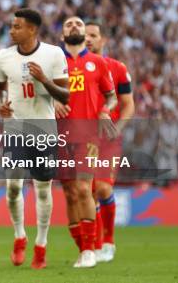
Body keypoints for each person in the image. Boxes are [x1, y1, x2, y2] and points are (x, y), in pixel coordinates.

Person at [0, 8, 70, 269]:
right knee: (13, 188)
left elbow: (65, 96)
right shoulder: (3, 56)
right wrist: (1, 105)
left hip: (44, 130)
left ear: (32, 30)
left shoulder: (53, 54)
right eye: (12, 26)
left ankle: (41, 245)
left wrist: (44, 80)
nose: (12, 30)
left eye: (17, 26)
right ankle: (19, 236)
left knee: (42, 190)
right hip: (15, 129)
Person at [56, 16, 118, 268]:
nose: (74, 27)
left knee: (84, 188)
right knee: (70, 194)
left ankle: (92, 248)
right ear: (62, 35)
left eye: (78, 24)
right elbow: (39, 95)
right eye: (69, 25)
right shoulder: (53, 63)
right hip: (59, 137)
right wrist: (53, 101)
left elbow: (111, 97)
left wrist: (105, 111)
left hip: (88, 136)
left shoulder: (98, 63)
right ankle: (82, 248)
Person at [85, 20, 135, 262]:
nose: (88, 39)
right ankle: (93, 247)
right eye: (85, 36)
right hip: (83, 138)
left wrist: (118, 127)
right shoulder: (73, 69)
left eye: (93, 35)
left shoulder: (117, 68)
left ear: (103, 40)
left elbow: (128, 105)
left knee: (103, 187)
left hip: (108, 139)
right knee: (88, 192)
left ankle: (109, 242)